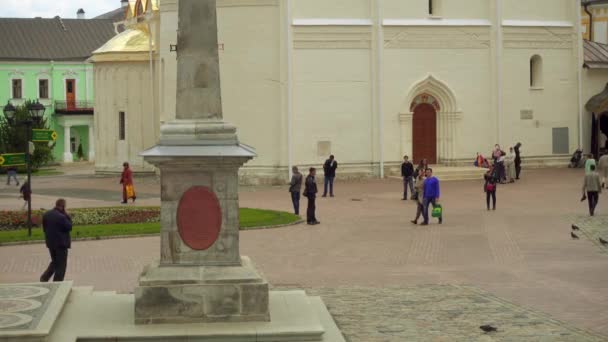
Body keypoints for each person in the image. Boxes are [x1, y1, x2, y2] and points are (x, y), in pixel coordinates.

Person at [40, 198, 72, 282]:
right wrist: (67, 215)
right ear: (63, 206)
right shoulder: (62, 217)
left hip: (50, 244)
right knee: (61, 265)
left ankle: (44, 277)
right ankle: (57, 283)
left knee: (55, 262)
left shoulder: (47, 214)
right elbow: (69, 227)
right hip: (61, 244)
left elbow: (44, 228)